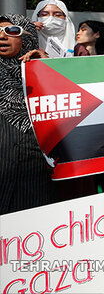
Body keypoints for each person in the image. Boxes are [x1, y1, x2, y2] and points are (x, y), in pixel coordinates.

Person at [0, 14, 55, 214]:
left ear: (28, 37)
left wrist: (49, 70)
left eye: (11, 31)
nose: (2, 37)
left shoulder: (44, 71)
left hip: (36, 182)